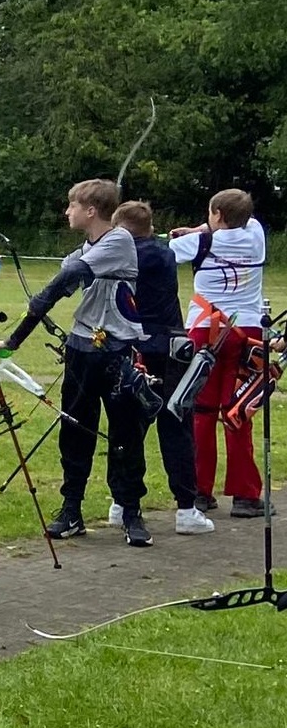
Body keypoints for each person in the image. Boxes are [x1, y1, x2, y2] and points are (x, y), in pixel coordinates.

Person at [0, 179, 153, 546]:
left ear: (91, 210)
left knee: (125, 434)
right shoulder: (83, 252)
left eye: (71, 205)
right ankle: (72, 510)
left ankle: (130, 511)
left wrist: (40, 301)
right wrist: (15, 340)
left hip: (117, 350)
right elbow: (64, 279)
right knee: (75, 431)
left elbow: (66, 278)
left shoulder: (119, 241)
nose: (66, 212)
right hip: (82, 350)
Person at [115, 200, 213, 535]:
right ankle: (185, 509)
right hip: (167, 349)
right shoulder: (162, 253)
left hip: (139, 348)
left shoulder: (130, 256)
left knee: (131, 426)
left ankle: (123, 503)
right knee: (173, 425)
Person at [169, 189, 268, 517]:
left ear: (217, 216)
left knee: (201, 411)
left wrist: (197, 234)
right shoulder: (256, 235)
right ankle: (246, 496)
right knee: (238, 412)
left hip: (205, 330)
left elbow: (166, 251)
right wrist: (203, 228)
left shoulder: (200, 244)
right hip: (248, 332)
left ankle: (199, 491)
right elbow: (242, 219)